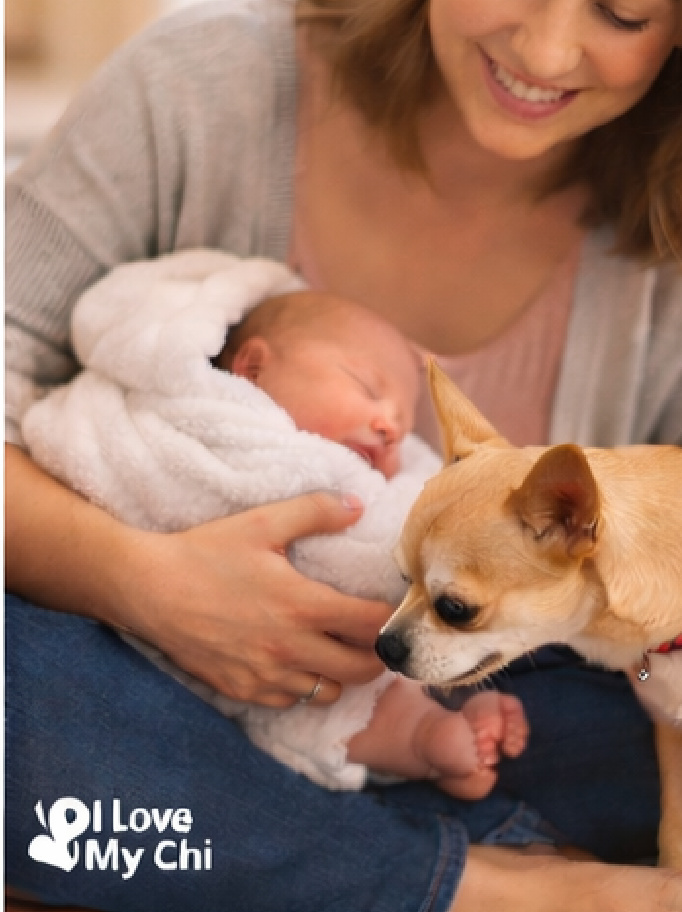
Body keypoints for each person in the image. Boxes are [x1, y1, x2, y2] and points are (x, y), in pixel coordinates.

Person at [5, 0, 682, 912]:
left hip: (463, 706)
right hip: (129, 649)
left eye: (623, 14)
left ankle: (198, 838)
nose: (544, 52)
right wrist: (149, 587)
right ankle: (470, 881)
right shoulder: (203, 84)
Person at [20, 249, 528, 800]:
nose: (388, 427)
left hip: (327, 673)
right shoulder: (181, 413)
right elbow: (88, 447)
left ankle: (426, 735)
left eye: (403, 426)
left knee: (364, 701)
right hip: (126, 647)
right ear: (253, 367)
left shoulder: (370, 477)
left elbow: (420, 522)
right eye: (365, 387)